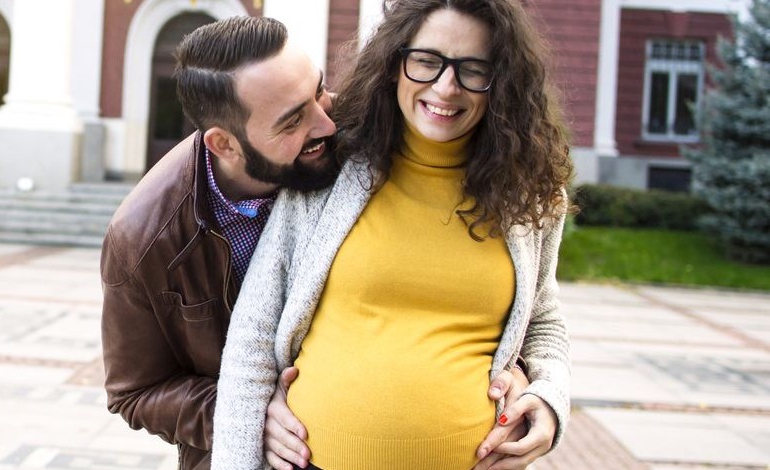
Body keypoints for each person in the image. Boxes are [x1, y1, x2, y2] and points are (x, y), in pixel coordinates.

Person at [101, 16, 538, 470]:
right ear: (225, 145)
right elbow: (137, 390)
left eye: (319, 90)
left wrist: (529, 378)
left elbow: (472, 283)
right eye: (294, 119)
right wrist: (246, 417)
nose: (329, 123)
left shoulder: (359, 136)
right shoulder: (143, 240)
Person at [211, 0, 573, 469]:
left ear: (500, 82)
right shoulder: (331, 170)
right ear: (395, 62)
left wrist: (548, 397)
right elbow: (252, 337)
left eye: (473, 69)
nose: (446, 87)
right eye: (426, 61)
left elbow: (543, 318)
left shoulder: (530, 197)